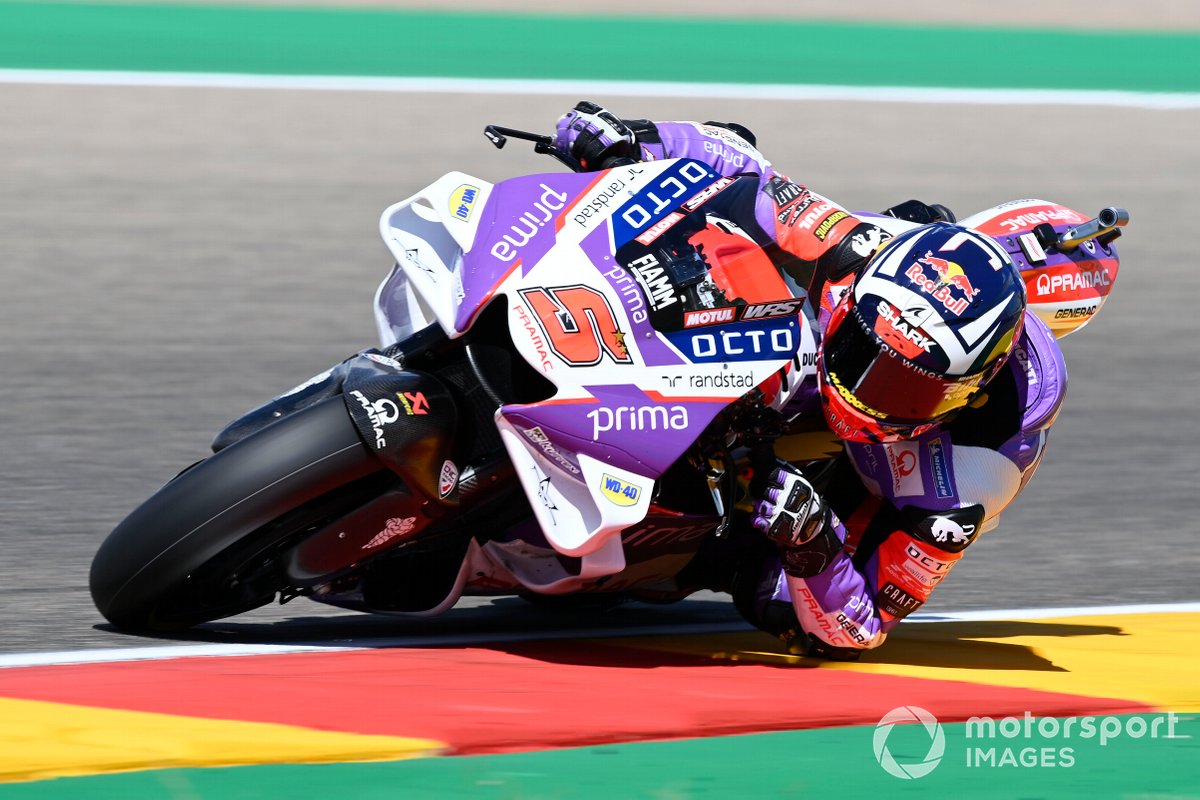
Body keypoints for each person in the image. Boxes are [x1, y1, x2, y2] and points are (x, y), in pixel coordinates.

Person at [552, 102, 1065, 659]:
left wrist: (812, 542)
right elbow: (740, 161)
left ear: (970, 391)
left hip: (863, 484)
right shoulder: (853, 249)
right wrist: (636, 141)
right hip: (783, 345)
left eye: (907, 388)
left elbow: (861, 629)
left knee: (774, 593)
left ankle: (683, 554)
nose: (863, 390)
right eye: (862, 351)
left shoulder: (968, 484)